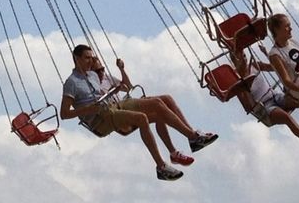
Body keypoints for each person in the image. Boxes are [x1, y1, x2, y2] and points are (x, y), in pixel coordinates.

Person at [61, 43, 217, 182]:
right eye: (87, 58)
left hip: (115, 106)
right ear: (77, 58)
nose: (90, 62)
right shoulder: (71, 83)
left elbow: (126, 87)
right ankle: (161, 167)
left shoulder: (93, 75)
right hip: (101, 118)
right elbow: (64, 114)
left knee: (160, 102)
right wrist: (88, 109)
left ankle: (192, 137)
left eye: (92, 58)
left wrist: (120, 73)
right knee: (142, 118)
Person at [228, 46, 299, 153]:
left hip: (276, 96)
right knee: (286, 117)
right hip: (265, 107)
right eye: (240, 58)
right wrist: (246, 89)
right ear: (234, 61)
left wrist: (267, 53)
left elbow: (274, 67)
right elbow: (248, 107)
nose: (244, 59)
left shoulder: (254, 65)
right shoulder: (236, 80)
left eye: (245, 56)